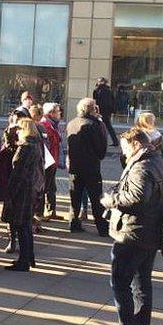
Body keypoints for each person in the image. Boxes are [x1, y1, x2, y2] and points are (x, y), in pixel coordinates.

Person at [100, 128, 163, 325]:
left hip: (133, 232)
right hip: (150, 232)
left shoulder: (142, 166)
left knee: (121, 282)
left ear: (135, 145)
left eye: (124, 148)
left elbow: (136, 198)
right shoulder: (159, 162)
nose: (123, 153)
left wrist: (111, 200)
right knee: (141, 284)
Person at [3, 118, 44, 272]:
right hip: (30, 190)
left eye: (18, 129)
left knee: (22, 226)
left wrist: (10, 194)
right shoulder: (35, 145)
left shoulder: (26, 148)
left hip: (23, 192)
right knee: (25, 226)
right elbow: (11, 147)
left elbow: (18, 174)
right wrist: (9, 132)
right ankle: (28, 257)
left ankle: (24, 260)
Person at [66, 98, 109, 236]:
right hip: (91, 167)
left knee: (75, 197)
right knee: (96, 198)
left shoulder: (71, 123)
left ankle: (74, 223)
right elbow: (101, 148)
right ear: (91, 109)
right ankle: (102, 227)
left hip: (75, 166)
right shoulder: (94, 124)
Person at [39, 103, 62, 220]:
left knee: (52, 187)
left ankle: (51, 211)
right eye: (58, 111)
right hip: (48, 161)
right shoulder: (45, 124)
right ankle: (41, 213)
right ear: (51, 113)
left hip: (53, 160)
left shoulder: (53, 124)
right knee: (44, 187)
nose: (60, 114)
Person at [93, 77, 117, 146]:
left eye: (99, 81)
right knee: (108, 127)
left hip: (101, 111)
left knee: (99, 127)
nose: (98, 82)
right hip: (107, 111)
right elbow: (113, 101)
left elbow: (95, 100)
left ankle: (100, 142)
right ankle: (115, 141)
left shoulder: (99, 90)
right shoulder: (109, 90)